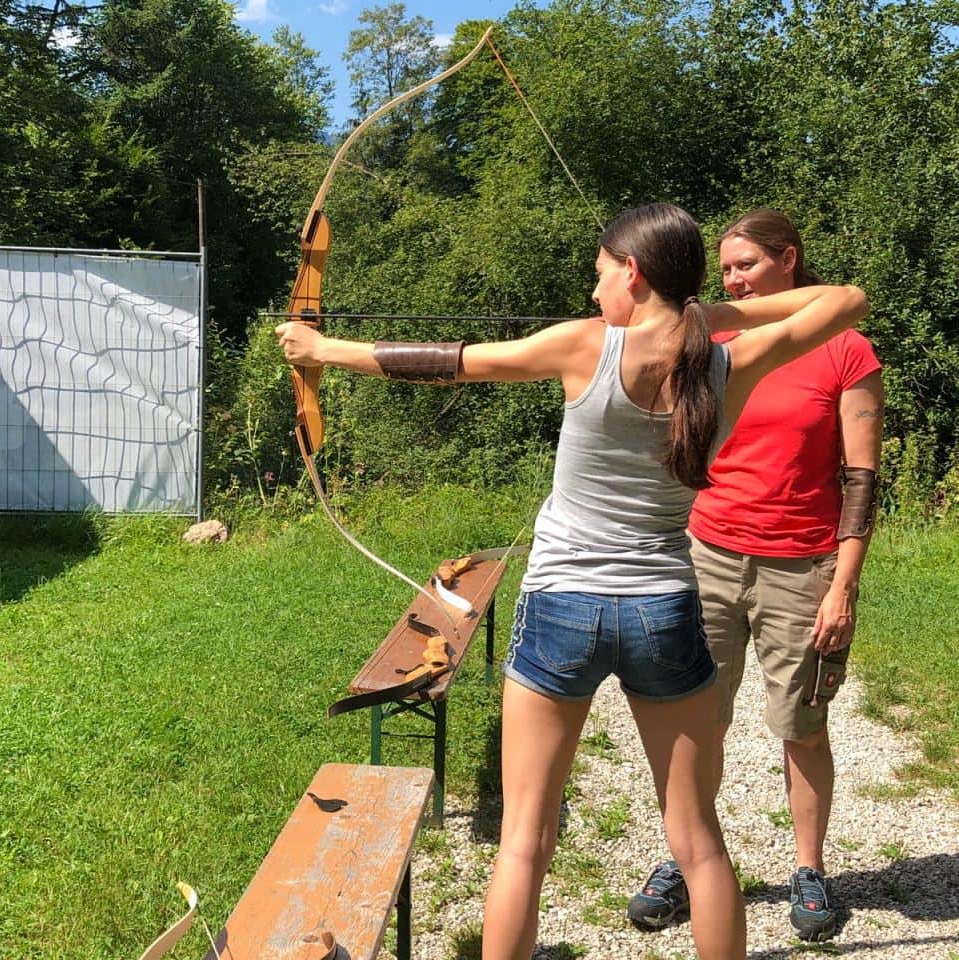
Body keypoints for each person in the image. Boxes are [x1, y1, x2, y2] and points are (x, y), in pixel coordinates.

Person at [276, 202, 869, 960]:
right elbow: (846, 300)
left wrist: (324, 349)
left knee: (525, 838)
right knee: (698, 842)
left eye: (600, 276)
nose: (593, 295)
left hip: (562, 608)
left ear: (633, 272)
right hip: (664, 608)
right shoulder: (729, 361)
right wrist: (700, 314)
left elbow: (447, 361)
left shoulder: (585, 347)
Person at [626, 209, 883, 942]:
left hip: (802, 565)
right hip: (706, 554)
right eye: (726, 269)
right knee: (696, 719)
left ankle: (808, 869)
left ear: (789, 260)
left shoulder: (847, 352)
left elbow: (861, 478)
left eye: (747, 265)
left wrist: (844, 584)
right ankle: (685, 856)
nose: (733, 279)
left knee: (801, 724)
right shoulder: (717, 347)